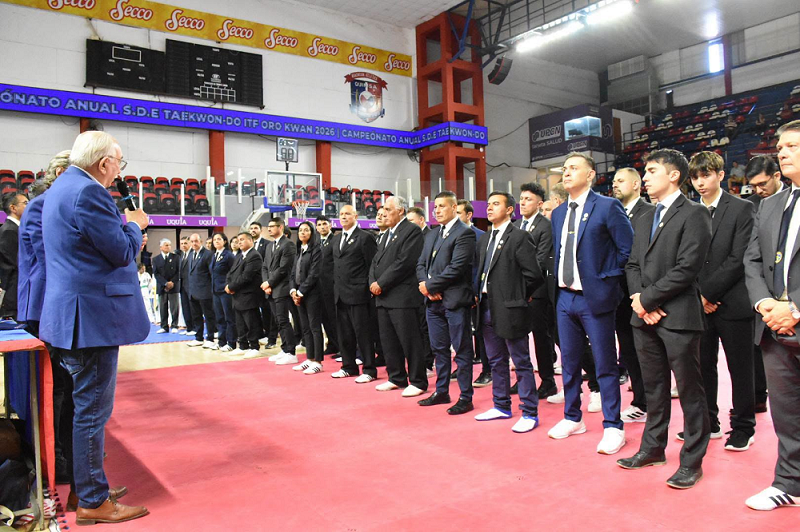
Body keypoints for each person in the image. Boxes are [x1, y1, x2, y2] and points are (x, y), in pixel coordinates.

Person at [39, 130, 149, 524]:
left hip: (71, 315)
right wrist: (134, 225)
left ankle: (86, 487)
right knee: (92, 412)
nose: (119, 171)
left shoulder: (61, 188)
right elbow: (121, 252)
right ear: (104, 164)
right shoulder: (89, 192)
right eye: (118, 163)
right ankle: (92, 501)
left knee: (82, 408)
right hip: (90, 319)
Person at [617, 148, 712, 490]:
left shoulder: (695, 213)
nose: (645, 177)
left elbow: (687, 268)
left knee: (689, 390)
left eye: (652, 171)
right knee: (654, 388)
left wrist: (647, 299)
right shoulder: (644, 216)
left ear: (673, 175)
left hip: (679, 317)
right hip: (644, 318)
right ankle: (653, 448)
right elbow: (632, 264)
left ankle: (691, 462)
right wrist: (640, 301)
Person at [547, 153, 633, 456]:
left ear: (591, 174)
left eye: (574, 168)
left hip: (595, 296)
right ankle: (573, 418)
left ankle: (613, 425)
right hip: (564, 296)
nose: (567, 172)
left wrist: (605, 279)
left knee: (605, 363)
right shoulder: (559, 213)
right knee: (569, 363)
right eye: (565, 168)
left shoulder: (608, 206)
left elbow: (627, 250)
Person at [743, 119, 800, 510]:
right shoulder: (770, 204)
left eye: (793, 146)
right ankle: (790, 483)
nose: (783, 152)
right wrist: (764, 303)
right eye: (780, 147)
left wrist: (794, 306)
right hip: (773, 327)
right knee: (786, 412)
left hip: (792, 313)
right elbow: (752, 259)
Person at [688, 151, 757, 451]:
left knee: (740, 369)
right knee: (702, 367)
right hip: (698, 304)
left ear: (720, 174)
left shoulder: (742, 208)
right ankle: (708, 422)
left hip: (733, 302)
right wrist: (698, 296)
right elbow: (686, 260)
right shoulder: (690, 211)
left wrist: (707, 294)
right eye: (695, 177)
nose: (700, 182)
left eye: (706, 175)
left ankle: (743, 427)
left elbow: (738, 258)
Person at [17, 149, 74, 485]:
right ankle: (54, 459)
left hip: (55, 305)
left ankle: (66, 452)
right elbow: (52, 260)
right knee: (54, 389)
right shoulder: (43, 206)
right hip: (44, 309)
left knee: (64, 386)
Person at [473, 191, 544, 432]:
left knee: (521, 361)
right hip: (485, 306)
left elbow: (534, 275)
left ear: (510, 209)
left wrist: (518, 296)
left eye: (496, 204)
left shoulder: (520, 237)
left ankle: (529, 412)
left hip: (511, 307)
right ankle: (501, 405)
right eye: (488, 204)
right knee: (496, 361)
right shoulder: (484, 238)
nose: (489, 208)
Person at [416, 191, 476, 415]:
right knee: (439, 349)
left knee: (462, 350)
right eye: (435, 207)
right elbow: (420, 264)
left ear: (453, 208)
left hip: (454, 300)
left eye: (442, 206)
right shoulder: (432, 233)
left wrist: (431, 286)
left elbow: (457, 267)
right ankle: (442, 391)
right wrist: (425, 285)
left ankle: (465, 397)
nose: (437, 210)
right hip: (433, 302)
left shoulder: (465, 233)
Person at [370, 196, 427, 396]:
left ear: (400, 211)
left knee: (409, 340)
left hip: (402, 296)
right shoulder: (386, 234)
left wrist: (381, 283)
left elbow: (405, 262)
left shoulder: (411, 231)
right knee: (388, 341)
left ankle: (418, 381)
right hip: (383, 296)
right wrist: (372, 282)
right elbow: (375, 262)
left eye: (388, 209)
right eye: (383, 209)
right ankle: (396, 377)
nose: (384, 213)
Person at [611, 167, 655, 423]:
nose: (615, 184)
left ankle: (650, 402)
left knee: (647, 351)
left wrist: (643, 293)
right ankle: (641, 400)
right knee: (628, 349)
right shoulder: (612, 212)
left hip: (642, 293)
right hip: (618, 293)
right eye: (614, 181)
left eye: (621, 180)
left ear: (637, 184)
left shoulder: (649, 212)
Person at [743, 154, 782, 412]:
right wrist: (761, 298)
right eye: (753, 186)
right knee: (758, 348)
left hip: (790, 295)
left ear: (777, 176)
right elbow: (750, 255)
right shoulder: (753, 205)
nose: (758, 190)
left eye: (763, 184)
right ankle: (759, 395)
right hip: (760, 296)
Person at [514, 182, 558, 399]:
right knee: (518, 337)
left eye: (528, 199)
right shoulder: (516, 225)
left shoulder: (545, 226)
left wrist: (522, 285)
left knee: (542, 338)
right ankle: (523, 378)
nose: (522, 203)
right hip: (516, 291)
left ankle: (548, 381)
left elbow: (539, 261)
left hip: (537, 291)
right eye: (521, 199)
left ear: (540, 204)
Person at [330, 205, 379, 382]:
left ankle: (369, 369)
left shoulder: (365, 237)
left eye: (347, 214)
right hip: (340, 294)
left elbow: (372, 265)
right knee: (345, 335)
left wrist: (369, 287)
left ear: (355, 216)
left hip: (359, 294)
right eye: (341, 214)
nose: (343, 216)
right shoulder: (336, 239)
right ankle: (348, 367)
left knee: (363, 334)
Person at [457, 199, 490, 387]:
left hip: (475, 291)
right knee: (461, 333)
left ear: (469, 215)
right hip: (456, 292)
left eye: (459, 213)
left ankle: (487, 369)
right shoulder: (451, 235)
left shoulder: (481, 236)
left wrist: (476, 290)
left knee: (482, 332)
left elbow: (481, 266)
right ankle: (463, 367)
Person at [290, 221, 325, 374]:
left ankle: (318, 361)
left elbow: (314, 274)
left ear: (312, 233)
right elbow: (293, 273)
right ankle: (309, 358)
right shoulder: (299, 250)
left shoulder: (316, 250)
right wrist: (293, 290)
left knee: (314, 327)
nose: (302, 233)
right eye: (300, 230)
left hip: (312, 294)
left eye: (306, 230)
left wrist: (301, 291)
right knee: (305, 328)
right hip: (299, 294)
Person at [261, 217, 297, 364]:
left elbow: (284, 268)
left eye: (272, 226)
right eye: (268, 226)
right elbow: (265, 266)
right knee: (277, 320)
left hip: (282, 288)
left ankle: (291, 352)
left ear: (280, 227)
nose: (269, 229)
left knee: (283, 320)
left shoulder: (288, 244)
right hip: (270, 289)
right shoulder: (270, 245)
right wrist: (266, 283)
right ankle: (285, 348)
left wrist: (269, 282)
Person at [225, 233, 263, 358]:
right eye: (238, 240)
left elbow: (246, 277)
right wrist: (228, 285)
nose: (239, 242)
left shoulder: (254, 256)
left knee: (251, 322)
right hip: (237, 295)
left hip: (249, 295)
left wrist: (232, 287)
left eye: (242, 240)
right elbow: (230, 273)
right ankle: (243, 345)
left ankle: (254, 346)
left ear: (251, 241)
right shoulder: (240, 256)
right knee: (240, 323)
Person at [186, 233, 217, 350]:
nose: (194, 243)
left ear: (201, 241)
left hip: (205, 291)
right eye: (192, 241)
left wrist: (211, 290)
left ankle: (210, 338)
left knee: (208, 316)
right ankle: (198, 337)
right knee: (196, 316)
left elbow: (212, 274)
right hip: (193, 291)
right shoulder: (190, 254)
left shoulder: (208, 254)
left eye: (196, 241)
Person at [0, 192, 29, 319]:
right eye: (25, 203)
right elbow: (13, 264)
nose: (28, 206)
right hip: (13, 293)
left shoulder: (17, 229)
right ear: (13, 208)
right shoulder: (9, 230)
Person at [251, 221, 278, 348]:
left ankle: (270, 336)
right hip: (253, 286)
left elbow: (267, 265)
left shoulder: (267, 244)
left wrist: (267, 282)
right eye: (251, 228)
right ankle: (260, 334)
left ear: (261, 230)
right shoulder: (249, 245)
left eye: (255, 228)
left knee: (269, 311)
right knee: (255, 311)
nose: (253, 230)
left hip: (266, 283)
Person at [315, 215, 339, 356]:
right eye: (319, 224)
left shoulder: (335, 240)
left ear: (330, 225)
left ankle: (341, 346)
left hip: (332, 286)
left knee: (334, 318)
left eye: (324, 223)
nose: (322, 227)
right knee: (324, 317)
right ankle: (332, 344)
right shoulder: (315, 242)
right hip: (318, 286)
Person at [211, 232, 237, 353]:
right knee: (219, 318)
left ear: (225, 241)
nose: (216, 241)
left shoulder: (228, 255)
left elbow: (234, 272)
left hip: (225, 291)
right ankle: (221, 342)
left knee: (229, 317)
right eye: (214, 239)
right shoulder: (214, 255)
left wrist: (230, 285)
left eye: (219, 239)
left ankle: (231, 342)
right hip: (215, 290)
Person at [151, 238, 180, 333]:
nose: (168, 247)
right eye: (166, 245)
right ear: (161, 247)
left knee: (174, 307)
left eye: (169, 245)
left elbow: (178, 271)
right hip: (162, 287)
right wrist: (165, 283)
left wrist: (172, 282)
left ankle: (174, 325)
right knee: (163, 308)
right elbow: (156, 274)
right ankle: (164, 326)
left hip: (174, 286)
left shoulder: (176, 257)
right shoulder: (156, 259)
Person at [178, 236, 194, 335]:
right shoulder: (182, 256)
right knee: (185, 307)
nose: (183, 245)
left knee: (192, 308)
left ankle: (195, 328)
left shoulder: (193, 254)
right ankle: (189, 328)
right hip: (182, 286)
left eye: (185, 243)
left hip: (191, 286)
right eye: (182, 243)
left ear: (190, 244)